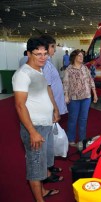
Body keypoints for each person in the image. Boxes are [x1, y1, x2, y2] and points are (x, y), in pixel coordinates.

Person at [12, 37, 60, 201]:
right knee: (35, 165)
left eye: (45, 53)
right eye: (38, 54)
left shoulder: (39, 71)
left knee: (42, 164)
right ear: (28, 54)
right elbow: (19, 105)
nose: (42, 57)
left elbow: (46, 90)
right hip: (34, 127)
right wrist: (32, 132)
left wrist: (55, 108)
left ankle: (43, 190)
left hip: (45, 125)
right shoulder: (23, 74)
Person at [40, 34, 66, 182]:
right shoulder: (44, 65)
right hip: (48, 108)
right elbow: (47, 88)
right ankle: (45, 172)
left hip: (51, 106)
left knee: (49, 141)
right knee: (45, 142)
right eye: (52, 47)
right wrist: (55, 109)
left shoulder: (48, 63)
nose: (54, 50)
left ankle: (49, 166)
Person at [63, 49, 98, 146]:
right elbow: (65, 83)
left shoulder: (85, 68)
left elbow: (91, 81)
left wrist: (94, 93)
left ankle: (82, 139)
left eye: (82, 56)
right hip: (74, 98)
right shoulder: (69, 70)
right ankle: (71, 140)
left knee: (83, 119)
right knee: (72, 119)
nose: (81, 57)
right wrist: (66, 95)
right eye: (79, 56)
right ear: (74, 57)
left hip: (86, 97)